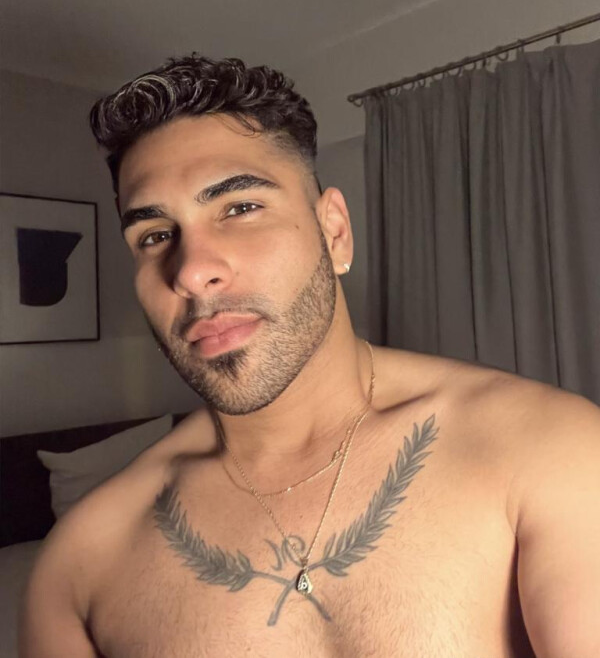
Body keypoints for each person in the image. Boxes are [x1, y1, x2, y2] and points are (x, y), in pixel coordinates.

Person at [20, 56, 600, 657]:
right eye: (155, 235)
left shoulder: (549, 449)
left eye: (239, 208)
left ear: (335, 232)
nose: (191, 271)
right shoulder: (78, 566)